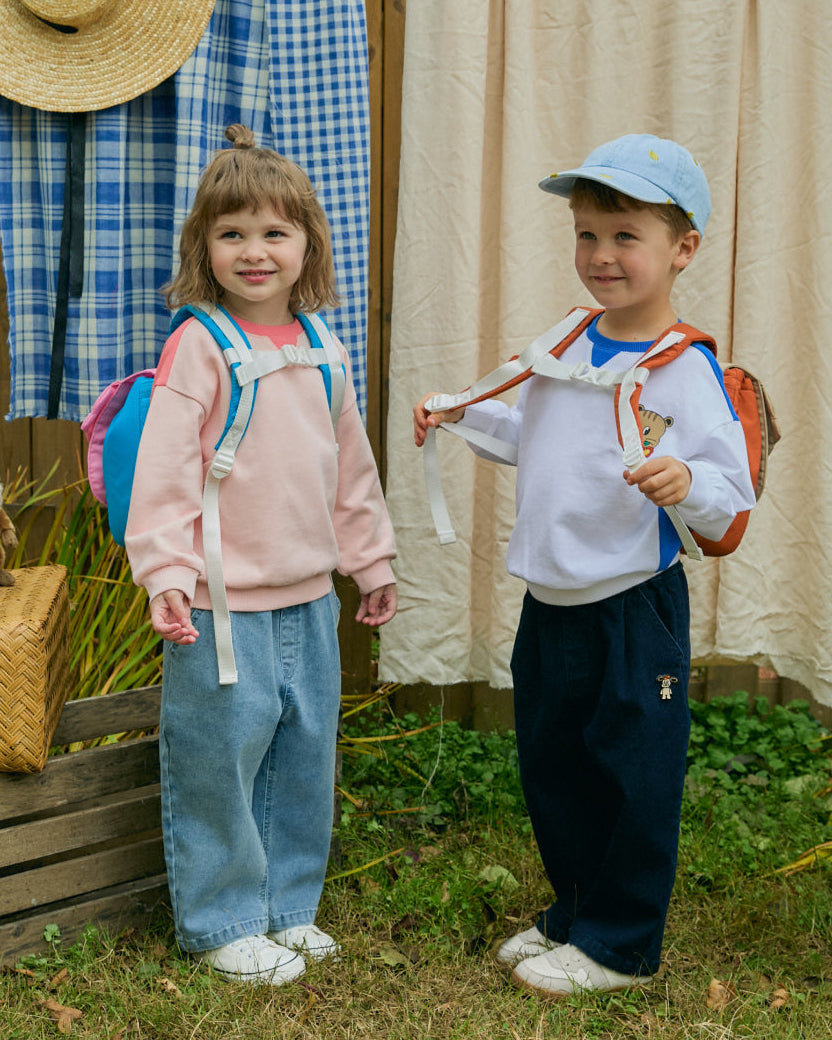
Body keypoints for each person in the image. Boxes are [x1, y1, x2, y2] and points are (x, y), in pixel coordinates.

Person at [413, 134, 755, 997]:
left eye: (625, 236)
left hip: (634, 605)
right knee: (556, 765)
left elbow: (730, 491)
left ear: (683, 249)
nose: (602, 255)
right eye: (587, 235)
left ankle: (622, 945)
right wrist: (461, 415)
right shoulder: (566, 340)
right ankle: (575, 912)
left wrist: (686, 481)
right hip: (552, 599)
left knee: (634, 773)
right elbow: (531, 435)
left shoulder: (684, 367)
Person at [126, 124, 397, 986]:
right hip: (220, 607)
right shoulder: (200, 345)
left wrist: (371, 560)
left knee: (303, 757)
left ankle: (287, 907)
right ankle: (224, 920)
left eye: (275, 232)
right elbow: (165, 472)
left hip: (309, 598)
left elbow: (349, 467)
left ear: (307, 243)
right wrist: (167, 574)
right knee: (219, 764)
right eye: (232, 232)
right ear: (204, 246)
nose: (254, 251)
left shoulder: (323, 345)